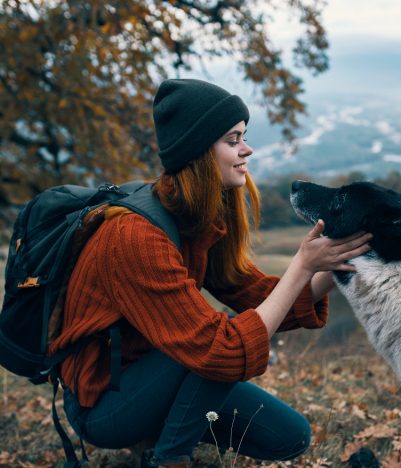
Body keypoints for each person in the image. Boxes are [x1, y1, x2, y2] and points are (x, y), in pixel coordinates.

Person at [50, 79, 372, 468]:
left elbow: (256, 295)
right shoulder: (134, 237)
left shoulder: (196, 217)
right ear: (199, 150)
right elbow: (222, 350)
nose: (246, 149)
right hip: (104, 403)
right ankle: (168, 458)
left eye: (244, 137)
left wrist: (338, 264)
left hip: (163, 372)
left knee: (289, 437)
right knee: (220, 344)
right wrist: (301, 265)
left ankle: (164, 436)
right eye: (233, 139)